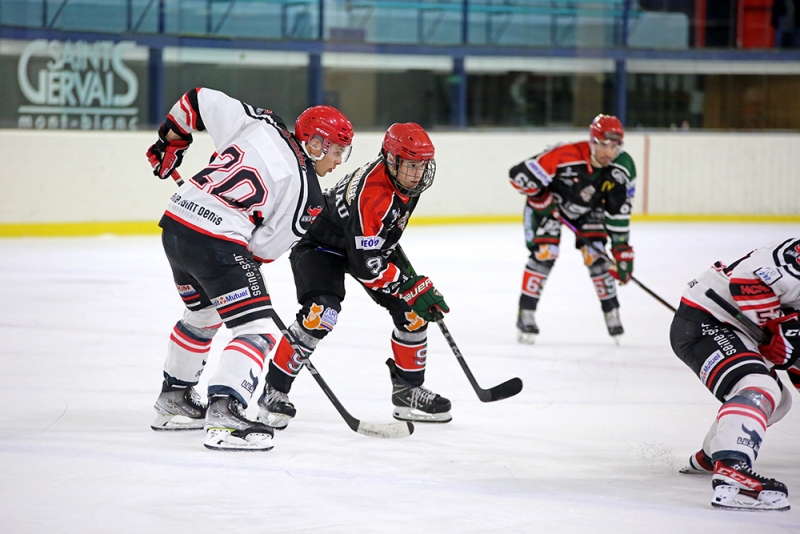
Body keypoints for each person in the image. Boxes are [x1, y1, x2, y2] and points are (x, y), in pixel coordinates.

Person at [145, 87, 353, 451]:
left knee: (203, 314)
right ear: (316, 143)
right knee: (256, 329)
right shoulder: (308, 193)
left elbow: (197, 99)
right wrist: (239, 276)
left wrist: (171, 141)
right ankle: (225, 414)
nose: (338, 161)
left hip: (176, 223)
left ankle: (174, 398)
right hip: (217, 242)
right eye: (336, 151)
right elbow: (262, 250)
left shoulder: (260, 123)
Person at [255, 122, 452, 430]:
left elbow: (379, 240)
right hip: (321, 246)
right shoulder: (373, 195)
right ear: (391, 159)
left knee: (412, 311)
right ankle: (274, 391)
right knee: (320, 314)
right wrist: (409, 286)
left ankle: (407, 391)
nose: (416, 173)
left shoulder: (405, 183)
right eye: (410, 165)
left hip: (360, 244)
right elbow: (367, 267)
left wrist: (410, 290)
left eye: (421, 165)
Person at [670, 238, 800, 511]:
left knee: (780, 403)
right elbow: (747, 280)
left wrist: (786, 345)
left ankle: (712, 455)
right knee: (759, 385)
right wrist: (777, 325)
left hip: (735, 329)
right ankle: (733, 469)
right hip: (709, 318)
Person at [508, 114, 636, 344]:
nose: (608, 152)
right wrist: (540, 199)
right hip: (551, 207)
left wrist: (621, 250)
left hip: (588, 210)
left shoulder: (623, 168)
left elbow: (619, 213)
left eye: (615, 146)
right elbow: (518, 176)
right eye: (603, 145)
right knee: (545, 253)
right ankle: (525, 312)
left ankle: (612, 312)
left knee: (596, 254)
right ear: (592, 141)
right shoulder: (565, 155)